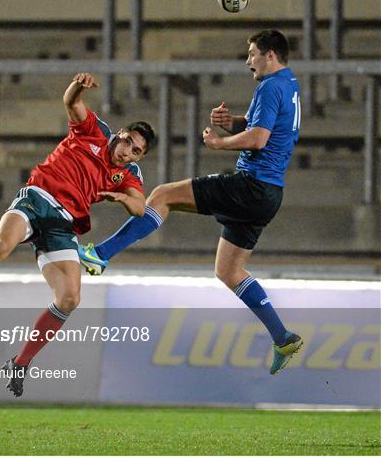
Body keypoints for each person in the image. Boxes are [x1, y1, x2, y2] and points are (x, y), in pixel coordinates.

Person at [79, 30, 303, 375]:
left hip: (252, 185)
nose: (248, 61)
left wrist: (218, 143)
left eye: (253, 54)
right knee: (228, 270)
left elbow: (260, 138)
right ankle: (282, 336)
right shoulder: (288, 85)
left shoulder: (271, 86)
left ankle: (100, 254)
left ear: (270, 55)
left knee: (163, 195)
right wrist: (233, 124)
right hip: (269, 194)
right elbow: (267, 127)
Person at [0, 73, 157, 396]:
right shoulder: (94, 131)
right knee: (1, 246)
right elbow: (71, 102)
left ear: (139, 157)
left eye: (136, 151)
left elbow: (140, 207)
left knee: (70, 298)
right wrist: (78, 85)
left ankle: (19, 363)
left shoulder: (128, 174)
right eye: (128, 142)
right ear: (119, 135)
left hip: (63, 225)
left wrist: (123, 197)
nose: (128, 151)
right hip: (37, 199)